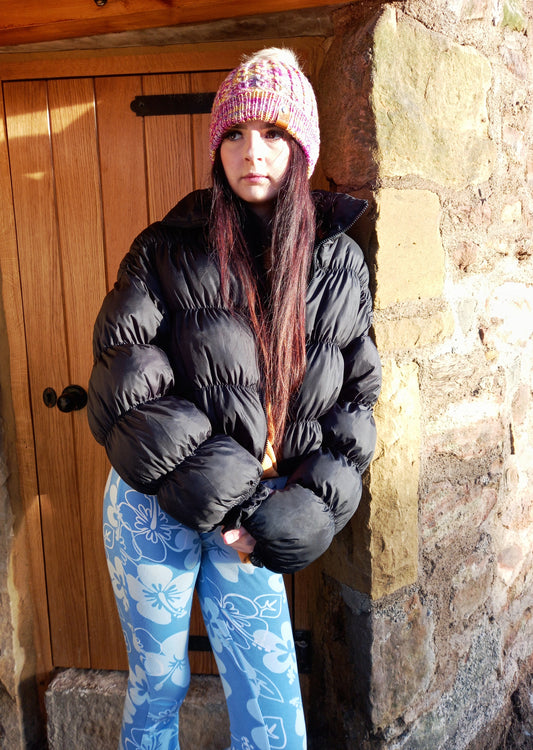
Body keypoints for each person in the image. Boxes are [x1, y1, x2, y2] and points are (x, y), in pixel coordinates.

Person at [87, 47, 381, 750]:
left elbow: (355, 403)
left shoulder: (338, 261)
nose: (253, 151)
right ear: (216, 143)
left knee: (271, 702)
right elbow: (124, 383)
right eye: (235, 133)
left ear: (300, 147)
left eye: (274, 133)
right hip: (152, 504)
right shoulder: (163, 248)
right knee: (159, 684)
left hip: (254, 519)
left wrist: (301, 514)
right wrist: (233, 490)